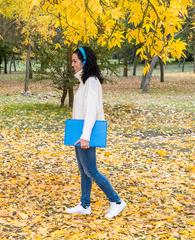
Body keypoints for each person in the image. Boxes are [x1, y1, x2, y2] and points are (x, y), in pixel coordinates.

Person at [65, 47, 126, 219]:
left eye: (75, 61)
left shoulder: (91, 82)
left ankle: (117, 201)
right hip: (79, 132)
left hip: (86, 134)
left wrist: (85, 136)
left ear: (84, 62)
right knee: (83, 170)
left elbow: (91, 111)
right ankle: (84, 205)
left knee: (91, 170)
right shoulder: (84, 81)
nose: (72, 64)